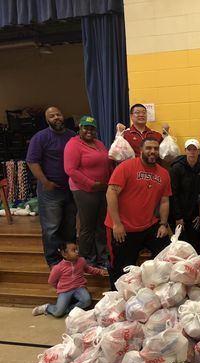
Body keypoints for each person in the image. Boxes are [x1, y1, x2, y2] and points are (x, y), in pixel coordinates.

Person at [105, 138, 172, 289]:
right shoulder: (126, 167)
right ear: (141, 150)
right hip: (123, 228)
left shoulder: (164, 174)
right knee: (121, 269)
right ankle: (116, 301)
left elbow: (164, 201)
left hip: (148, 225)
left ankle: (159, 291)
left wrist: (163, 224)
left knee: (167, 254)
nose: (152, 151)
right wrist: (117, 224)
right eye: (149, 148)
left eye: (155, 148)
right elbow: (111, 193)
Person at [26, 106, 77, 267]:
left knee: (69, 227)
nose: (56, 117)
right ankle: (54, 262)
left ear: (63, 116)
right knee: (51, 228)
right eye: (52, 116)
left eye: (58, 114)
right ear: (47, 120)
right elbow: (32, 162)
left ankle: (69, 258)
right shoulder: (40, 137)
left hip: (71, 189)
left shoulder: (72, 136)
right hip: (50, 190)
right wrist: (45, 182)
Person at [64, 116, 112, 269]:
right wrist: (92, 184)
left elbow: (107, 163)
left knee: (101, 225)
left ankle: (102, 257)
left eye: (91, 128)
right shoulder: (73, 144)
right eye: (85, 127)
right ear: (80, 128)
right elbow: (70, 169)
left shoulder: (99, 143)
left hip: (102, 189)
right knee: (87, 226)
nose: (89, 131)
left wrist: (110, 182)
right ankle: (87, 260)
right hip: (84, 190)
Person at [31, 242, 107, 317]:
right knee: (58, 313)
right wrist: (60, 288)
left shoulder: (81, 261)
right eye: (73, 250)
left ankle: (68, 310)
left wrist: (99, 272)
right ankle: (47, 308)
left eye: (77, 249)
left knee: (86, 301)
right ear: (64, 254)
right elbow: (51, 281)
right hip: (65, 291)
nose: (77, 252)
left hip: (79, 287)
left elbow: (88, 269)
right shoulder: (58, 267)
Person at [169, 138, 200, 254]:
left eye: (194, 149)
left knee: (197, 249)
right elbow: (173, 194)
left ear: (199, 151)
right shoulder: (176, 168)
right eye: (189, 149)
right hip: (179, 217)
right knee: (182, 250)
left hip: (195, 217)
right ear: (185, 151)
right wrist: (178, 217)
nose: (192, 152)